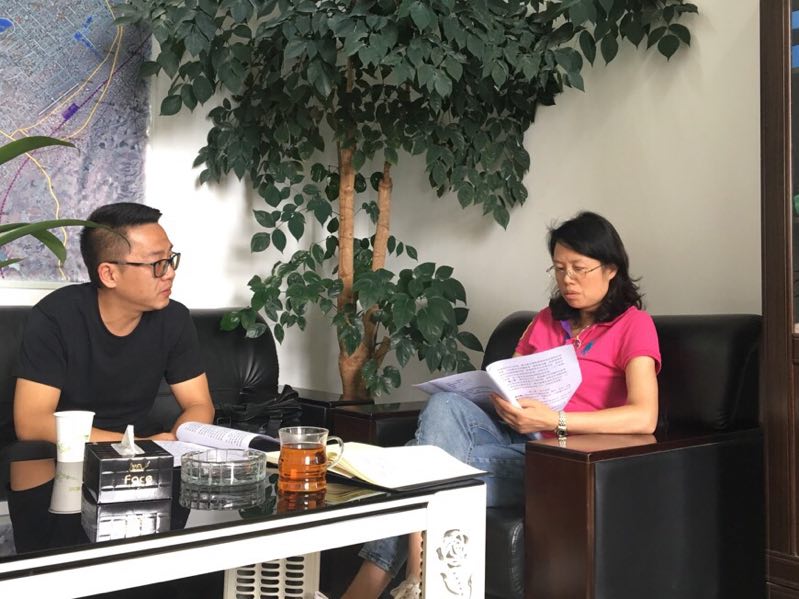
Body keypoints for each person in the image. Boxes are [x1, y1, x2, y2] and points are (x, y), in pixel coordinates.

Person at [340, 211, 661, 599]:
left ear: (611, 269)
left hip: (562, 464)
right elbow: (509, 378)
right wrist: (503, 399)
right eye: (559, 268)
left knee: (416, 464)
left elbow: (645, 416)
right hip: (511, 438)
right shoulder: (545, 320)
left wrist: (555, 421)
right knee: (444, 403)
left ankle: (391, 582)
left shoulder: (634, 325)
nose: (567, 280)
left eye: (579, 268)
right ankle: (421, 580)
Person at [10, 202, 215, 492]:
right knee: (31, 457)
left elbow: (199, 404)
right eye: (157, 264)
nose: (169, 273)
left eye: (170, 259)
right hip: (60, 457)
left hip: (136, 462)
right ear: (109, 274)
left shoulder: (174, 318)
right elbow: (31, 423)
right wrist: (133, 445)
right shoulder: (55, 317)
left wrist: (176, 442)